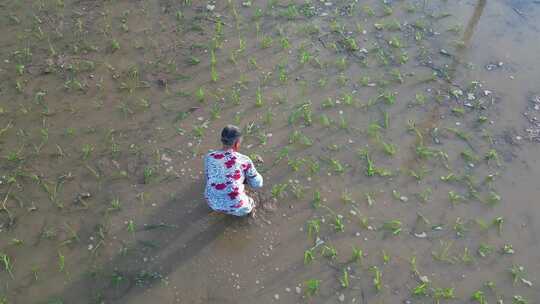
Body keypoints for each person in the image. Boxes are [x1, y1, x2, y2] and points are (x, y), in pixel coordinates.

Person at [204, 125, 263, 216]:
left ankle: (222, 210)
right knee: (248, 206)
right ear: (236, 143)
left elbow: (208, 176)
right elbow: (257, 184)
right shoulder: (244, 160)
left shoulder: (209, 157)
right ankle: (249, 209)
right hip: (236, 205)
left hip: (212, 202)